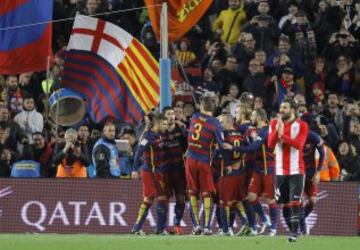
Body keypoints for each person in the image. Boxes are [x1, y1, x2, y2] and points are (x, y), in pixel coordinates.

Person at [185, 96, 230, 235]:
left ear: (202, 107)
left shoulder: (194, 117)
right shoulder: (215, 123)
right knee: (207, 193)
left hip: (190, 159)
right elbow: (221, 144)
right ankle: (207, 227)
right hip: (205, 161)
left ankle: (196, 226)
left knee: (192, 191)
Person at [268, 99, 308, 242]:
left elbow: (299, 145)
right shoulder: (274, 123)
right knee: (284, 204)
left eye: (285, 107)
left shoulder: (302, 125)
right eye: (281, 107)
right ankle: (293, 230)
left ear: (292, 110)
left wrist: (282, 136)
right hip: (279, 171)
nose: (281, 110)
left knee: (294, 202)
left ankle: (293, 233)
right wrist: (278, 129)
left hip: (296, 170)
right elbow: (270, 144)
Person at [233, 108, 277, 236]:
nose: (250, 118)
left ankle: (273, 228)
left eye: (252, 116)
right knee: (251, 196)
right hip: (257, 169)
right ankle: (264, 219)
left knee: (270, 199)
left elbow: (253, 147)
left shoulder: (266, 130)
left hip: (268, 168)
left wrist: (233, 147)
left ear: (258, 117)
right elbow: (246, 140)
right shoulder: (254, 131)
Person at [132, 113, 169, 235]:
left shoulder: (161, 136)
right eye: (163, 124)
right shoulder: (148, 136)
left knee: (157, 198)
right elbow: (139, 152)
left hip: (159, 172)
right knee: (154, 198)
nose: (166, 126)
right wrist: (134, 169)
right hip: (149, 171)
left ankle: (155, 229)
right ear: (157, 124)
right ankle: (141, 228)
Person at [216, 114, 248, 236]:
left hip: (227, 173)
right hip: (239, 172)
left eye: (221, 122)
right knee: (235, 200)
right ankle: (245, 222)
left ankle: (226, 230)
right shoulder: (241, 135)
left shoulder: (223, 135)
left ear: (229, 122)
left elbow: (222, 151)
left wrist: (228, 164)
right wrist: (239, 162)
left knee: (224, 202)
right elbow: (246, 151)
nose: (219, 124)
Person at [162, 107, 187, 235]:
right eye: (168, 114)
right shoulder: (160, 131)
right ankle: (163, 226)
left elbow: (187, 147)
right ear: (164, 117)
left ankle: (177, 224)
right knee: (163, 199)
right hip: (165, 171)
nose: (171, 116)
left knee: (181, 199)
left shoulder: (181, 130)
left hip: (179, 170)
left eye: (172, 114)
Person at [299, 129, 325, 235]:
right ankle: (303, 229)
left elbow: (322, 153)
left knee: (313, 201)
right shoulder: (293, 137)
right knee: (299, 202)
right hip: (298, 173)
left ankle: (301, 220)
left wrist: (318, 172)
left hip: (310, 172)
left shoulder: (314, 137)